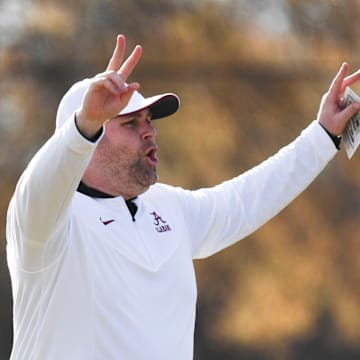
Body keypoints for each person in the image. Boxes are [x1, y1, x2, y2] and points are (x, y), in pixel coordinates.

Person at [6, 34, 360, 360]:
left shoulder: (168, 208)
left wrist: (322, 136)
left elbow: (245, 199)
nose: (149, 131)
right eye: (130, 123)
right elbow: (39, 187)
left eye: (149, 120)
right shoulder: (47, 226)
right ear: (87, 140)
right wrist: (85, 123)